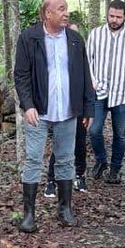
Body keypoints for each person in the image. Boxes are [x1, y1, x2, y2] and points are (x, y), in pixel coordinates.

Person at [13, 0, 96, 233]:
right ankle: (29, 214)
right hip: (38, 111)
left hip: (68, 110)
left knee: (66, 159)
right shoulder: (29, 38)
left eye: (66, 9)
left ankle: (64, 209)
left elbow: (84, 75)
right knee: (33, 158)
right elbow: (21, 75)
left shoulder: (75, 40)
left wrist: (88, 107)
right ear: (47, 14)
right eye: (61, 9)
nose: (66, 13)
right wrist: (27, 105)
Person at [86, 0, 125, 185]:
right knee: (94, 130)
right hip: (99, 91)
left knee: (119, 133)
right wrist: (91, 82)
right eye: (111, 16)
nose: (114, 20)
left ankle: (115, 168)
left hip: (122, 93)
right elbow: (87, 60)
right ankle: (101, 160)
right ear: (107, 14)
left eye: (118, 17)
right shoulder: (95, 34)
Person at [45, 23, 91, 196]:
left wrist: (89, 109)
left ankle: (79, 175)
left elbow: (88, 82)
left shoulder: (81, 52)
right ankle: (52, 180)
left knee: (79, 142)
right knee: (60, 145)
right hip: (60, 108)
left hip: (78, 107)